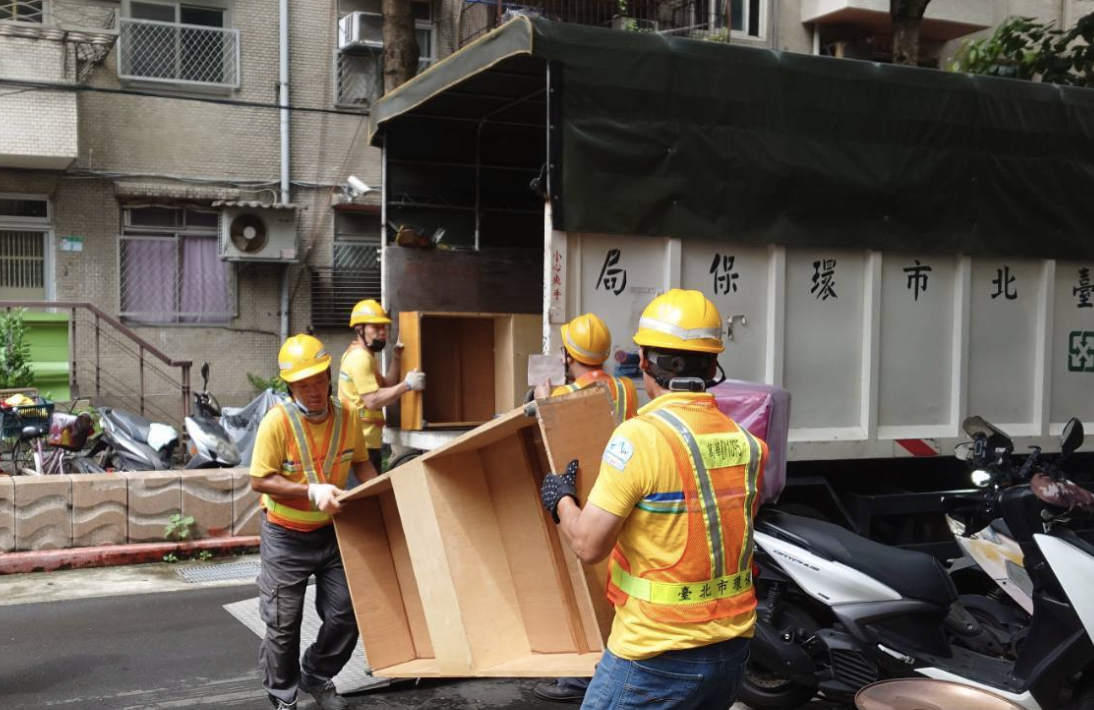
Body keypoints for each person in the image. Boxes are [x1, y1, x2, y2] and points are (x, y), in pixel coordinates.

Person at [539, 289, 767, 710]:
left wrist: (561, 501)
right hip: (732, 653)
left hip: (656, 655)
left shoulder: (641, 438)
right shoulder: (748, 444)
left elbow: (589, 546)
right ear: (714, 365)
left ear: (644, 361)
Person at [250, 334, 378, 710]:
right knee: (283, 625)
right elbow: (259, 479)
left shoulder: (347, 415)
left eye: (319, 381)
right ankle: (283, 695)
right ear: (290, 387)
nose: (314, 391)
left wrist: (381, 494)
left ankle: (317, 674)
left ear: (328, 375)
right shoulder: (277, 423)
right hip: (285, 536)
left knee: (346, 615)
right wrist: (311, 491)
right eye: (304, 385)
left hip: (332, 532)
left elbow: (361, 462)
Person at [533, 312, 638, 704]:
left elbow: (555, 434)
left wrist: (543, 400)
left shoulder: (561, 396)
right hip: (623, 498)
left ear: (566, 355)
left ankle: (583, 675)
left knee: (585, 586)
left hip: (581, 501)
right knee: (615, 584)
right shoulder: (626, 388)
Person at [338, 299, 425, 475]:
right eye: (375, 328)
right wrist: (407, 385)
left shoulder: (365, 356)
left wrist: (397, 359)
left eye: (383, 327)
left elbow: (386, 386)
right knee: (363, 499)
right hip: (360, 445)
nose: (382, 333)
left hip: (365, 442)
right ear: (359, 329)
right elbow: (372, 400)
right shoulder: (360, 359)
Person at [534, 312, 638, 425]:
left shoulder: (562, 395)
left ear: (569, 356)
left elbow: (554, 437)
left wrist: (542, 404)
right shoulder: (626, 388)